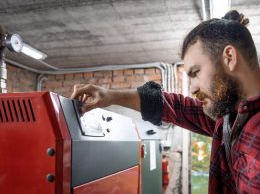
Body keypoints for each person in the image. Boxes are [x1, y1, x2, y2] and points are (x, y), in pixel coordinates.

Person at [71, 10, 260, 194]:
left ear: (229, 58)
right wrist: (111, 96)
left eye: (195, 73)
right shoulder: (230, 117)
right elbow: (179, 108)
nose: (193, 89)